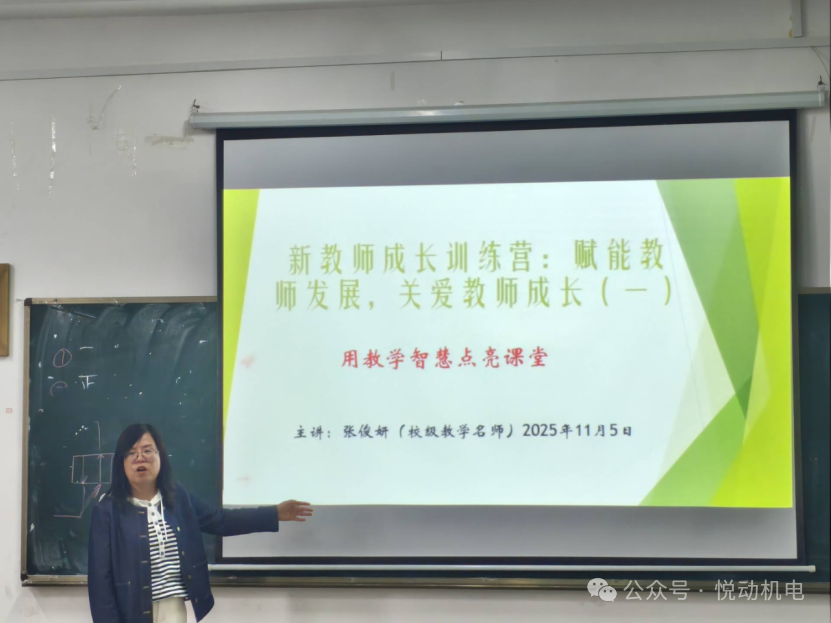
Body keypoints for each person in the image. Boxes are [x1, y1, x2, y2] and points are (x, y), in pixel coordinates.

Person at [88, 423, 312, 623]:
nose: (140, 458)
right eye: (131, 452)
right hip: (129, 613)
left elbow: (221, 521)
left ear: (160, 456)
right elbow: (100, 582)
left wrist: (273, 513)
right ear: (121, 463)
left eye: (147, 450)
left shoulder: (177, 498)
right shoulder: (107, 511)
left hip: (173, 609)